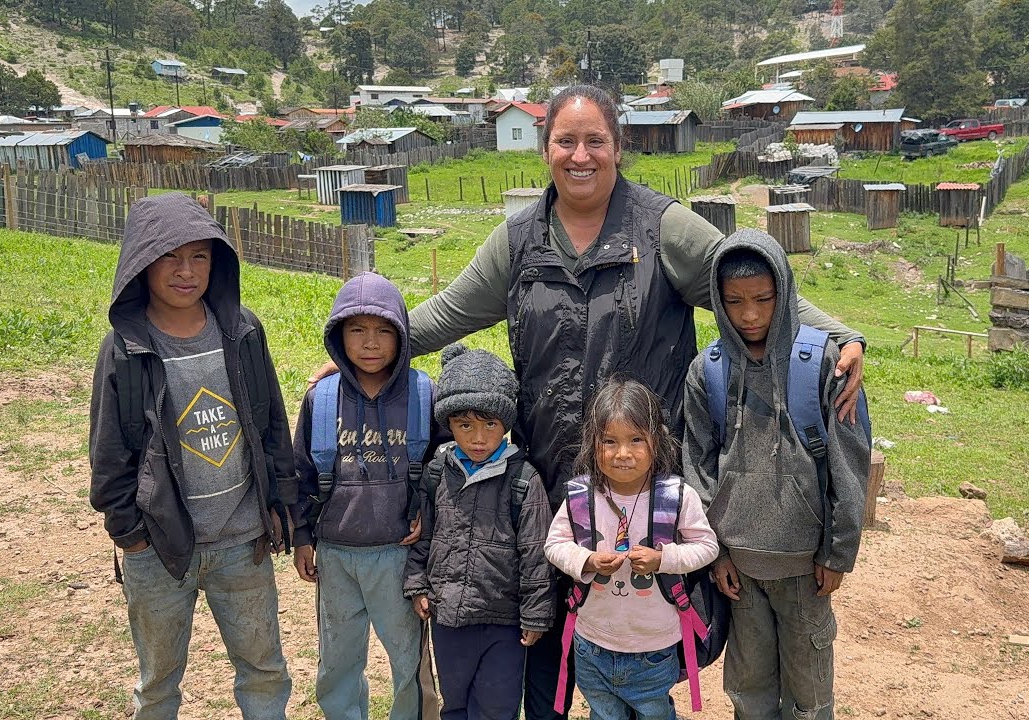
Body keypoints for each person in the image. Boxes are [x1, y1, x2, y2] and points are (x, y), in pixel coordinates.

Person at [314, 83, 867, 719]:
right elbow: (451, 311)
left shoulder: (661, 228)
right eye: (566, 141)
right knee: (549, 619)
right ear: (546, 149)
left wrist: (835, 333)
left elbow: (749, 271)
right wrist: (372, 345)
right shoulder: (518, 241)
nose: (581, 155)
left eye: (595, 141)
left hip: (644, 483)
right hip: (552, 475)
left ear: (618, 148)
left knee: (642, 625)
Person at [88, 192, 294, 719]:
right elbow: (109, 453)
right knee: (158, 683)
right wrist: (130, 536)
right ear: (141, 263)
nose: (186, 271)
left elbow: (271, 424)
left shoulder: (242, 331)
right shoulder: (125, 348)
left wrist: (280, 504)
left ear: (216, 262)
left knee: (265, 670)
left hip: (242, 543)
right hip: (159, 549)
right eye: (170, 257)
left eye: (200, 256)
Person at [681, 230, 871, 720]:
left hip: (806, 568)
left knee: (809, 695)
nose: (749, 315)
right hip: (740, 572)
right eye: (735, 302)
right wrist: (715, 551)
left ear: (783, 293)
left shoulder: (825, 364)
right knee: (749, 689)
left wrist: (838, 552)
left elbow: (849, 465)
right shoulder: (709, 372)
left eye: (763, 300)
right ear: (719, 304)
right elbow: (696, 466)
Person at [290, 271, 429, 720]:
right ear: (338, 336)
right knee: (338, 658)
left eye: (384, 331)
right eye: (356, 330)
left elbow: (442, 472)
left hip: (398, 556)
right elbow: (301, 474)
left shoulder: (424, 395)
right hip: (336, 554)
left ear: (402, 336)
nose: (370, 343)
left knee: (408, 658)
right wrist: (301, 537)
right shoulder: (321, 399)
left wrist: (427, 516)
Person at [545, 378, 719, 720]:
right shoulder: (581, 497)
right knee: (604, 714)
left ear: (657, 441)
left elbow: (706, 546)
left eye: (636, 440)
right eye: (609, 441)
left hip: (653, 649)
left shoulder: (676, 496)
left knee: (654, 713)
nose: (622, 453)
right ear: (593, 445)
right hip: (591, 643)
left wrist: (663, 559)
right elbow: (555, 544)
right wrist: (587, 560)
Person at [404, 343, 554, 720]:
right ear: (449, 425)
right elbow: (422, 536)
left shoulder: (523, 480)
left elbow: (536, 552)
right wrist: (418, 584)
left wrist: (536, 613)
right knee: (454, 704)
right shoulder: (438, 474)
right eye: (464, 425)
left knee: (497, 707)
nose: (478, 438)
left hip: (504, 623)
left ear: (506, 424)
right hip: (448, 617)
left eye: (490, 424)